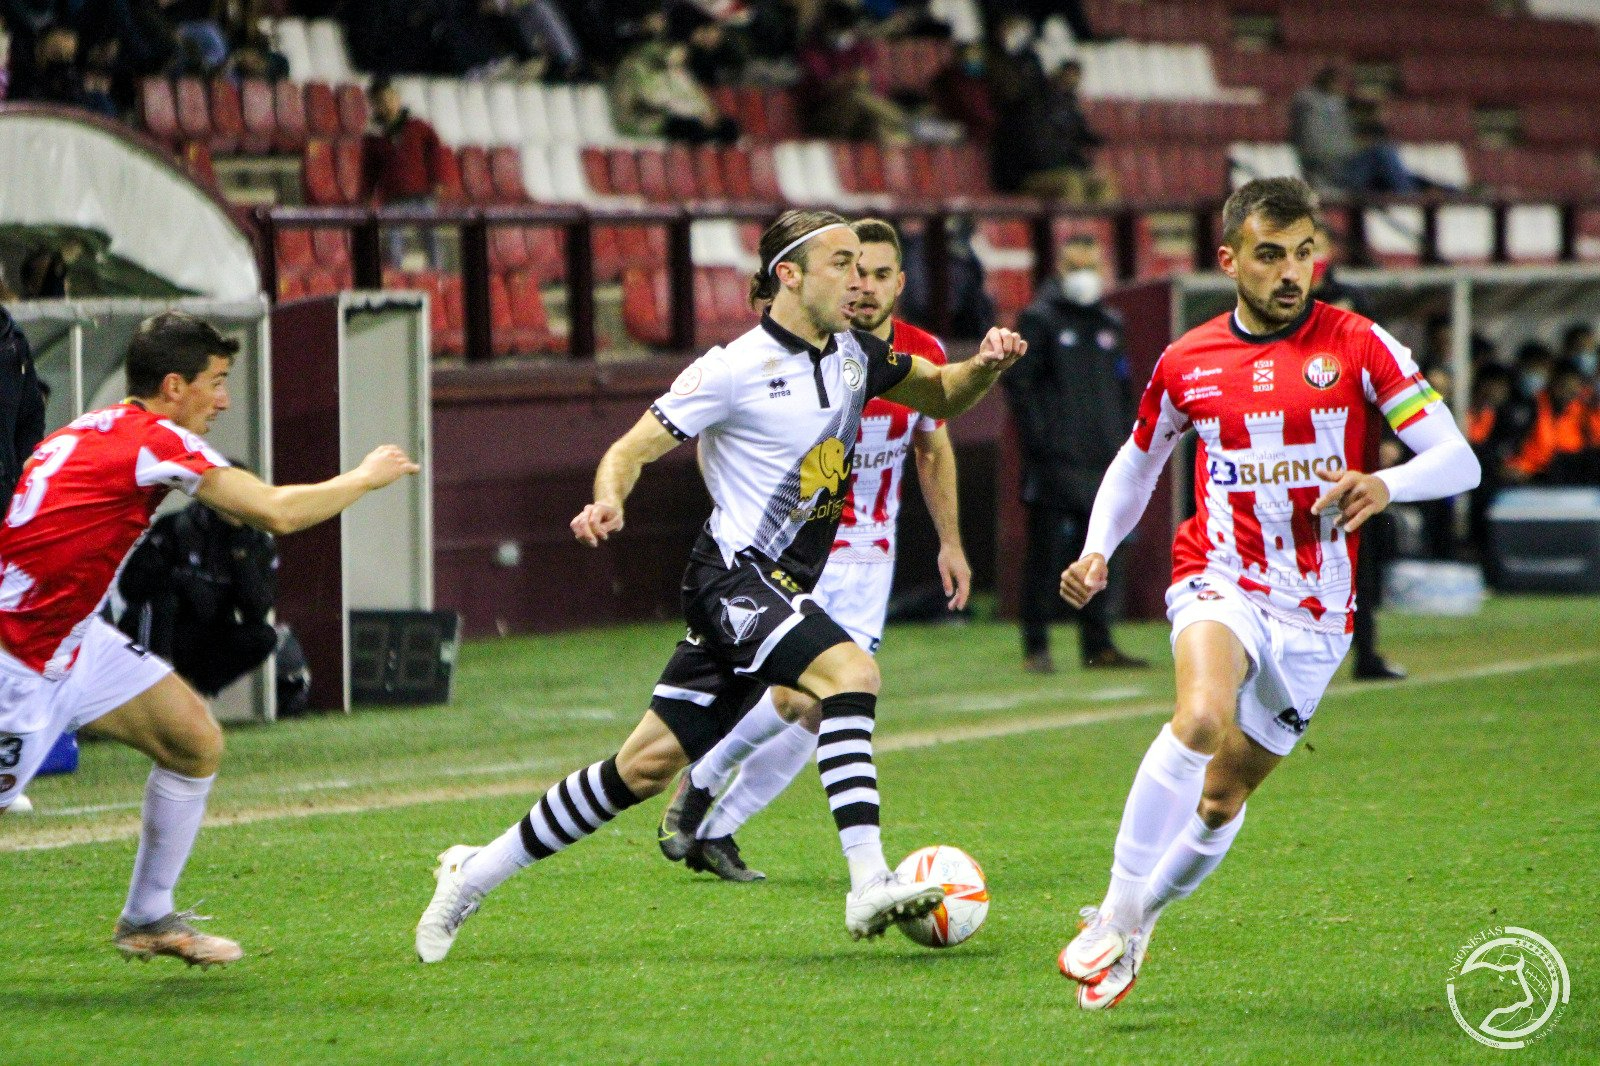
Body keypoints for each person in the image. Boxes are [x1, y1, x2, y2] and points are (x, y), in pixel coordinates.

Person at [414, 210, 1027, 962]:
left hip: (776, 586)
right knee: (851, 673)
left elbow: (941, 394)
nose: (858, 280)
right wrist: (610, 498)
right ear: (789, 277)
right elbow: (631, 448)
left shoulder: (856, 357)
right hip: (732, 579)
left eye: (866, 267)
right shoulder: (731, 368)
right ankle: (868, 879)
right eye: (841, 263)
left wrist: (986, 366)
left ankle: (474, 872)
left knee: (639, 769)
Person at [1055, 178, 1479, 1010]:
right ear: (1230, 260)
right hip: (1218, 575)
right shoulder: (1188, 360)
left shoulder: (1360, 344)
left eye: (1304, 254)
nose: (1291, 272)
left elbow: (1457, 459)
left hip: (1318, 609)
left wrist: (1388, 485)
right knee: (1201, 718)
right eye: (1271, 255)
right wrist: (1099, 548)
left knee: (1221, 798)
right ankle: (1113, 908)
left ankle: (1139, 924)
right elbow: (1139, 461)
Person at [0, 311, 419, 969]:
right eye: (216, 382)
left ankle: (148, 918)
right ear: (174, 385)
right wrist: (365, 477)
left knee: (193, 739)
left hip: (70, 640)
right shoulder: (155, 442)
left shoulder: (99, 425)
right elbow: (276, 511)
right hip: (16, 661)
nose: (224, 400)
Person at [654, 217, 971, 882]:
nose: (865, 286)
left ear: (898, 284)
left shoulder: (916, 355)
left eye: (880, 274)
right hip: (791, 553)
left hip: (867, 560)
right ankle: (710, 798)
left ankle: (713, 812)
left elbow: (931, 444)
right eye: (855, 269)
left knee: (818, 703)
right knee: (813, 695)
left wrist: (950, 541)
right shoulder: (804, 355)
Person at [1005, 233, 1147, 674]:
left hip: (1105, 459)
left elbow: (1123, 387)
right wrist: (1042, 443)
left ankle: (1098, 643)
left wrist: (1125, 441)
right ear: (1059, 270)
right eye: (1074, 266)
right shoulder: (1038, 321)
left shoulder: (1110, 324)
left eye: (1090, 266)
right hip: (1056, 461)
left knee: (1100, 551)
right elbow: (1021, 386)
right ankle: (1036, 645)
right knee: (1046, 554)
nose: (1083, 276)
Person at [116, 491, 278, 699]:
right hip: (162, 628)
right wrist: (182, 581)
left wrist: (241, 554)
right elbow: (131, 585)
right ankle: (156, 688)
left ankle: (193, 693)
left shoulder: (256, 542)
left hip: (208, 632)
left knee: (262, 636)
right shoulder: (177, 526)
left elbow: (257, 611)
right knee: (164, 602)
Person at [609, 13, 739, 144]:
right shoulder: (666, 49)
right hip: (633, 100)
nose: (713, 41)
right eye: (711, 35)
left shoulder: (687, 77)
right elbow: (652, 92)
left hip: (650, 116)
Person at [362, 76, 450, 269]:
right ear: (374, 105)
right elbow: (369, 169)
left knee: (431, 239)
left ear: (397, 98)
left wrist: (438, 180)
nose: (386, 105)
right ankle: (395, 279)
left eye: (389, 99)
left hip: (422, 196)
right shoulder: (374, 135)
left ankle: (439, 277)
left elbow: (435, 153)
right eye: (380, 102)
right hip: (393, 200)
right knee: (393, 243)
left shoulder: (418, 127)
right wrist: (367, 195)